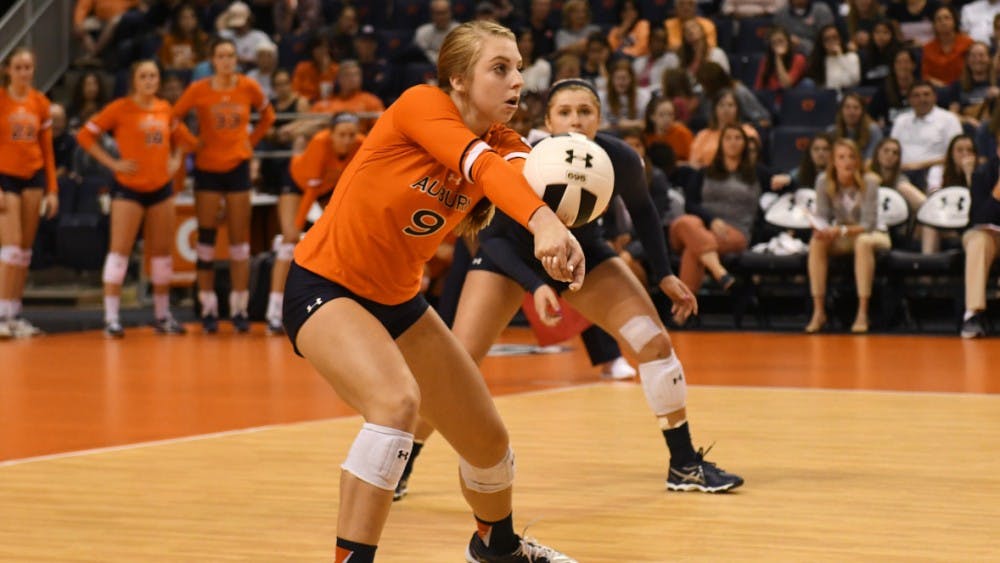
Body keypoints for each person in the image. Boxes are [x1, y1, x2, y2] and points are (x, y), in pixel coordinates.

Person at [285, 21, 581, 563]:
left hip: (399, 303)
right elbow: (480, 166)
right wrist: (541, 221)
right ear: (459, 79)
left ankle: (498, 549)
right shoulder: (420, 104)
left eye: (518, 68)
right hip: (326, 286)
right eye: (500, 68)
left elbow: (520, 175)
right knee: (395, 405)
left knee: (488, 443)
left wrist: (568, 206)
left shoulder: (505, 142)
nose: (517, 80)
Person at [395, 78, 742, 503]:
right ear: (548, 121)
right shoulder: (524, 158)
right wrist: (536, 285)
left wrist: (665, 275)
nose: (575, 121)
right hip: (512, 258)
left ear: (600, 118)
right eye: (565, 112)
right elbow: (492, 238)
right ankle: (402, 461)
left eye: (585, 112)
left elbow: (644, 212)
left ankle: (684, 464)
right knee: (459, 367)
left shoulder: (619, 158)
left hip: (582, 254)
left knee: (653, 342)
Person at [77, 60, 197, 337]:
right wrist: (113, 163)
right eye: (143, 76)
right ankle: (111, 318)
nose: (149, 80)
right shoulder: (120, 108)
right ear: (134, 80)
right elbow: (85, 136)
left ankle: (162, 315)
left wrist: (176, 159)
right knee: (119, 252)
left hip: (161, 189)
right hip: (128, 189)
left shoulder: (165, 109)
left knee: (162, 255)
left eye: (153, 75)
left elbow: (186, 140)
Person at [172, 38, 276, 333]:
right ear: (213, 60)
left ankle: (239, 308)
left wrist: (250, 142)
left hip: (238, 168)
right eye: (221, 56)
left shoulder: (248, 86)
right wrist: (192, 143)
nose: (227, 61)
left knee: (239, 243)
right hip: (207, 169)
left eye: (231, 55)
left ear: (236, 60)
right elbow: (173, 118)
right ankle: (208, 307)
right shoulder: (199, 89)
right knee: (205, 242)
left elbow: (268, 116)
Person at [265, 112, 363, 335]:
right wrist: (299, 227)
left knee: (345, 240)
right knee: (289, 240)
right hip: (300, 184)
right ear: (331, 134)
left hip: (329, 187)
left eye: (351, 135)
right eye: (342, 135)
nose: (347, 140)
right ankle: (274, 312)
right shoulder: (320, 143)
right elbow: (310, 192)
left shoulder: (362, 145)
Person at [0, 47, 58, 339]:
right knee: (10, 247)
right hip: (5, 177)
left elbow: (47, 151)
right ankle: (0, 313)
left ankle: (14, 313)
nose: (24, 72)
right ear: (8, 70)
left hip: (33, 176)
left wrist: (53, 190)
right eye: (19, 67)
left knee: (23, 252)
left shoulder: (41, 103)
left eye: (28, 67)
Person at [804, 139, 889, 334]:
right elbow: (824, 216)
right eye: (841, 157)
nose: (847, 162)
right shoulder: (823, 181)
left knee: (863, 242)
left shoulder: (870, 181)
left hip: (874, 234)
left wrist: (841, 230)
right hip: (844, 235)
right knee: (817, 242)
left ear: (858, 160)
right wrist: (819, 227)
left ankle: (862, 312)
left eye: (851, 157)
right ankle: (819, 311)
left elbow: (868, 224)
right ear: (834, 161)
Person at [672, 124, 760, 293]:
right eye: (728, 138)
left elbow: (787, 181)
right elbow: (690, 204)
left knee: (693, 249)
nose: (733, 142)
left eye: (738, 138)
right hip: (700, 228)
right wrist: (711, 220)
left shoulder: (756, 172)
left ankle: (683, 306)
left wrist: (785, 179)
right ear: (721, 143)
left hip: (734, 231)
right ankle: (719, 271)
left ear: (744, 143)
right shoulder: (704, 172)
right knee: (686, 222)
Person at [960, 144, 1000, 338]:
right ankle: (973, 314)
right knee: (978, 241)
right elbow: (979, 218)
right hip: (986, 234)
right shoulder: (983, 173)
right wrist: (997, 193)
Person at [689, 89, 760, 168]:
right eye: (721, 105)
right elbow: (694, 164)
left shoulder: (748, 132)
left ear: (738, 109)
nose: (726, 109)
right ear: (714, 109)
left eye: (730, 105)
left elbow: (753, 161)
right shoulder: (703, 135)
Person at [922, 5, 973, 87]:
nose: (943, 22)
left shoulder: (968, 43)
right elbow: (926, 76)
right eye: (938, 19)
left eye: (947, 18)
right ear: (934, 25)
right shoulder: (927, 48)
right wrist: (942, 87)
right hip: (937, 89)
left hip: (964, 87)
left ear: (954, 21)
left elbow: (973, 69)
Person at [754, 27, 808, 97]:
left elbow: (786, 85)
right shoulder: (766, 61)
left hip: (789, 98)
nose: (778, 45)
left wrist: (778, 58)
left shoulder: (799, 59)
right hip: (769, 98)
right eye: (774, 43)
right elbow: (758, 87)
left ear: (788, 42)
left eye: (781, 41)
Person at [806, 25, 861, 90]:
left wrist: (840, 56)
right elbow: (827, 85)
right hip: (827, 94)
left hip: (849, 92)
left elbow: (855, 80)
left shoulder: (852, 56)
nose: (831, 41)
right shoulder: (820, 60)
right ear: (822, 43)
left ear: (840, 39)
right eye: (827, 39)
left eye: (835, 37)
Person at [830, 92, 882, 160]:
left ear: (862, 111)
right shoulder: (832, 131)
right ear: (841, 111)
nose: (851, 112)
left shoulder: (873, 130)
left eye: (856, 108)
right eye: (847, 107)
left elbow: (872, 159)